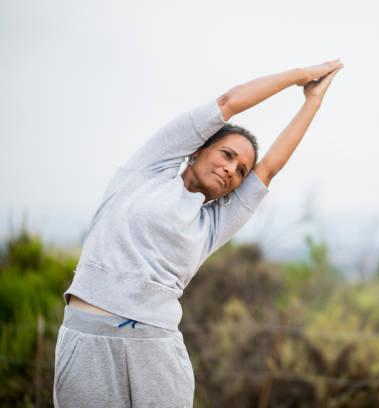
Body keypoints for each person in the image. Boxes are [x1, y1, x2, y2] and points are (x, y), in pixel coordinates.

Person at [53, 59, 343, 407]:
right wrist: (300, 78)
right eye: (226, 155)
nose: (231, 170)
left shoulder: (213, 224)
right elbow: (228, 103)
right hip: (87, 336)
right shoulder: (147, 170)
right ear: (196, 148)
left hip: (155, 348)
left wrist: (313, 102)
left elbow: (269, 168)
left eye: (240, 171)